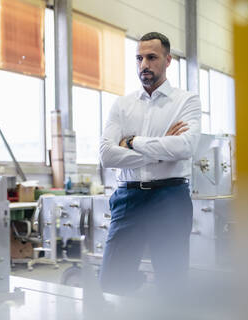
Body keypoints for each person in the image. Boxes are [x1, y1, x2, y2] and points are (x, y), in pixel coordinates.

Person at [99, 32, 201, 295]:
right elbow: (107, 156)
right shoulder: (122, 105)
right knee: (112, 282)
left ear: (168, 60)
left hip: (170, 197)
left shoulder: (186, 101)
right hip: (127, 198)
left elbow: (186, 146)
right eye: (139, 58)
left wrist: (132, 141)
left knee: (172, 284)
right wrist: (162, 148)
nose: (144, 64)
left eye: (151, 57)